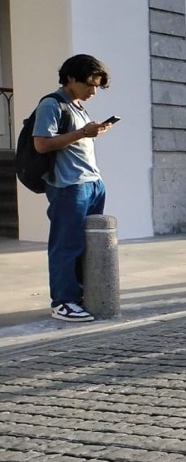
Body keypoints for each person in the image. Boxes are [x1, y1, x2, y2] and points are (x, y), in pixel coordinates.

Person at [35, 54, 114, 322]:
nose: (93, 91)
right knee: (66, 244)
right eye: (89, 85)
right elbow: (42, 144)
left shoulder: (78, 106)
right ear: (70, 78)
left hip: (91, 184)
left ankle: (78, 296)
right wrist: (83, 133)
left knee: (87, 245)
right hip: (69, 186)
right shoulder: (52, 104)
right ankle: (63, 301)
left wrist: (93, 132)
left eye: (97, 86)